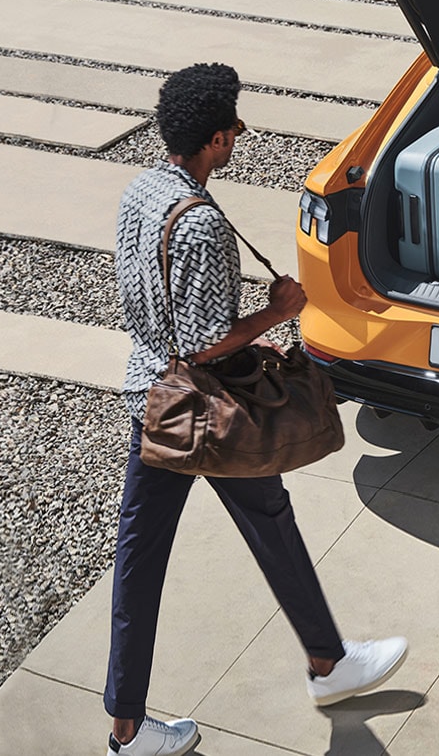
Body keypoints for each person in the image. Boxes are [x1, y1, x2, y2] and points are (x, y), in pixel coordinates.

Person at [107, 63, 407, 756]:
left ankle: (135, 724)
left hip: (148, 400)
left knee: (146, 557)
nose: (237, 139)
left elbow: (150, 309)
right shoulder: (203, 224)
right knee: (265, 521)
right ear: (214, 139)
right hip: (205, 413)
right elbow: (207, 342)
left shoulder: (142, 190)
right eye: (235, 129)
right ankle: (327, 665)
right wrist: (277, 311)